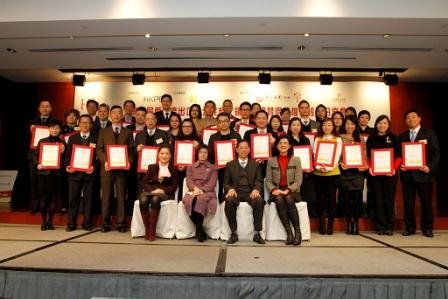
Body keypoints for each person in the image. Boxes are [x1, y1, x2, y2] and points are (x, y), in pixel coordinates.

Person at [399, 109, 440, 237]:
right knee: (408, 203)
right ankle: (410, 228)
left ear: (419, 118)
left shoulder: (429, 133)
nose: (411, 119)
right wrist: (401, 165)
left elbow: (436, 153)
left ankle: (427, 228)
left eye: (413, 117)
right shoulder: (402, 136)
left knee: (426, 203)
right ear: (405, 121)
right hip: (408, 176)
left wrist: (429, 167)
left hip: (424, 174)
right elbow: (399, 156)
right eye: (408, 118)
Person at [96, 105, 134, 233]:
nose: (117, 115)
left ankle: (120, 222)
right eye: (114, 113)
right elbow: (99, 149)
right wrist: (105, 161)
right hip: (107, 169)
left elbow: (131, 150)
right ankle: (105, 222)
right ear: (110, 115)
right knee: (106, 197)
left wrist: (129, 161)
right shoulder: (103, 131)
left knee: (121, 197)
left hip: (122, 170)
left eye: (119, 113)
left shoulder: (127, 132)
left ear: (122, 115)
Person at [224, 140, 265, 244]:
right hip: (236, 193)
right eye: (241, 148)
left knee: (259, 201)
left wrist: (256, 189)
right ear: (237, 150)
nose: (243, 150)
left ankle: (257, 233)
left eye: (246, 147)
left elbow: (259, 180)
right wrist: (230, 189)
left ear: (249, 149)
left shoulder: (255, 164)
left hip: (250, 192)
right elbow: (226, 183)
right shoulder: (230, 164)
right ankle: (233, 233)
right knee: (228, 200)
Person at [366, 115, 401, 236]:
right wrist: (370, 167)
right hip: (375, 176)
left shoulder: (393, 138)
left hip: (390, 175)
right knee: (378, 200)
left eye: (385, 123)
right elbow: (368, 157)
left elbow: (398, 157)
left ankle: (389, 226)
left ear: (388, 125)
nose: (382, 125)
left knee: (388, 200)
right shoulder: (371, 138)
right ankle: (380, 226)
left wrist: (393, 169)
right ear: (376, 124)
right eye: (380, 123)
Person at [266, 136, 303, 245]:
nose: (283, 145)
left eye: (285, 143)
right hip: (277, 191)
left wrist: (288, 190)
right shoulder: (271, 160)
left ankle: (297, 232)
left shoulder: (296, 159)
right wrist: (273, 190)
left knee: (288, 198)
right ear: (277, 146)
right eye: (280, 143)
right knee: (279, 199)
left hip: (292, 191)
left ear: (289, 146)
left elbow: (298, 180)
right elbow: (268, 180)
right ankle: (289, 233)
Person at [140, 145, 179, 241]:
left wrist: (163, 191)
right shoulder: (152, 167)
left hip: (166, 193)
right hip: (152, 191)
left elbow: (174, 186)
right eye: (162, 153)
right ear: (158, 155)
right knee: (143, 200)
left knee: (155, 199)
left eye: (167, 154)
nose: (164, 156)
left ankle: (152, 230)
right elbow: (144, 182)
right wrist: (153, 190)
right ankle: (147, 229)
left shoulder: (174, 169)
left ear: (170, 156)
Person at [65, 114, 96, 231]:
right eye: (83, 122)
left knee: (88, 201)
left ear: (91, 125)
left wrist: (94, 166)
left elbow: (98, 158)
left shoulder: (95, 138)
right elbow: (67, 156)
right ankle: (71, 224)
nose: (85, 125)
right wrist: (67, 166)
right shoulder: (72, 138)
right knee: (73, 200)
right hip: (74, 175)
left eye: (88, 122)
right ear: (79, 124)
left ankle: (87, 224)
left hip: (89, 175)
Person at [182, 145, 218, 242]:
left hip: (207, 192)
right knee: (189, 200)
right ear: (197, 154)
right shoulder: (190, 167)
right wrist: (195, 189)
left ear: (208, 154)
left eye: (205, 152)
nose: (202, 154)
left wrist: (201, 190)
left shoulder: (213, 168)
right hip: (193, 190)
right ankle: (200, 230)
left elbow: (212, 183)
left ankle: (199, 232)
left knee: (200, 200)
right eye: (200, 152)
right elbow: (189, 181)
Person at [339, 115, 368, 235]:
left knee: (357, 200)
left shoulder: (360, 139)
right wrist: (340, 163)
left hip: (357, 174)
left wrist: (364, 165)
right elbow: (336, 156)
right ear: (344, 125)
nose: (349, 126)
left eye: (352, 124)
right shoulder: (339, 138)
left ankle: (355, 223)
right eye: (347, 124)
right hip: (344, 173)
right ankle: (348, 223)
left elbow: (365, 156)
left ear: (355, 126)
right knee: (346, 199)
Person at [313, 118, 342, 235]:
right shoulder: (318, 138)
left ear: (333, 126)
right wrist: (319, 167)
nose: (326, 127)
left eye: (329, 125)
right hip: (319, 173)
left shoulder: (338, 139)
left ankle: (330, 225)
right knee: (320, 200)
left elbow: (337, 155)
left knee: (332, 200)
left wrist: (329, 168)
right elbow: (315, 153)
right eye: (324, 125)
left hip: (333, 173)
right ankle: (322, 224)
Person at [27, 100, 57, 213]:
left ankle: (46, 204)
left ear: (51, 109)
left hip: (49, 156)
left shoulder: (55, 122)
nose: (45, 108)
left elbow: (57, 136)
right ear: (39, 109)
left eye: (47, 106)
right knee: (34, 180)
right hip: (33, 156)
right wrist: (30, 130)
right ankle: (35, 204)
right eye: (42, 106)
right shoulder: (32, 122)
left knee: (47, 181)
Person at [35, 120, 65, 230]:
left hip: (56, 174)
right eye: (52, 128)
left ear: (60, 130)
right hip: (43, 173)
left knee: (53, 198)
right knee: (44, 197)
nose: (54, 130)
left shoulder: (63, 143)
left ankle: (50, 221)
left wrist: (64, 150)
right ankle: (43, 222)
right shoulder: (42, 141)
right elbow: (35, 155)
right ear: (49, 129)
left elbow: (66, 159)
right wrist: (38, 164)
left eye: (57, 128)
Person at [287, 117, 318, 217]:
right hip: (291, 172)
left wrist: (309, 166)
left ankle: (306, 219)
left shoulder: (305, 139)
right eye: (294, 125)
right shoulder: (286, 139)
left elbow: (309, 155)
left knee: (307, 197)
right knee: (293, 197)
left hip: (305, 172)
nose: (296, 127)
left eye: (298, 125)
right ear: (290, 127)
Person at [208, 112, 241, 202]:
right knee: (220, 192)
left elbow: (241, 152)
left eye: (226, 121)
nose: (223, 123)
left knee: (233, 193)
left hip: (234, 169)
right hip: (219, 170)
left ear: (229, 122)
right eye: (220, 121)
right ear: (218, 123)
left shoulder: (236, 136)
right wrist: (214, 165)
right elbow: (210, 155)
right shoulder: (213, 137)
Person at [135, 112, 170, 194]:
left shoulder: (163, 134)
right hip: (143, 170)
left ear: (156, 121)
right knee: (142, 194)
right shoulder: (139, 135)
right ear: (144, 121)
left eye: (152, 119)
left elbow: (167, 150)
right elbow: (134, 152)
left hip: (158, 170)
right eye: (147, 119)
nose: (150, 121)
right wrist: (137, 149)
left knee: (156, 195)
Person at [175, 118, 204, 200]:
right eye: (184, 126)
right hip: (180, 172)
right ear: (181, 128)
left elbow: (205, 156)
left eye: (189, 126)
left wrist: (199, 147)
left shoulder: (198, 141)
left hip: (195, 172)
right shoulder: (176, 141)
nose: (186, 128)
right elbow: (171, 157)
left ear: (193, 128)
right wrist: (178, 165)